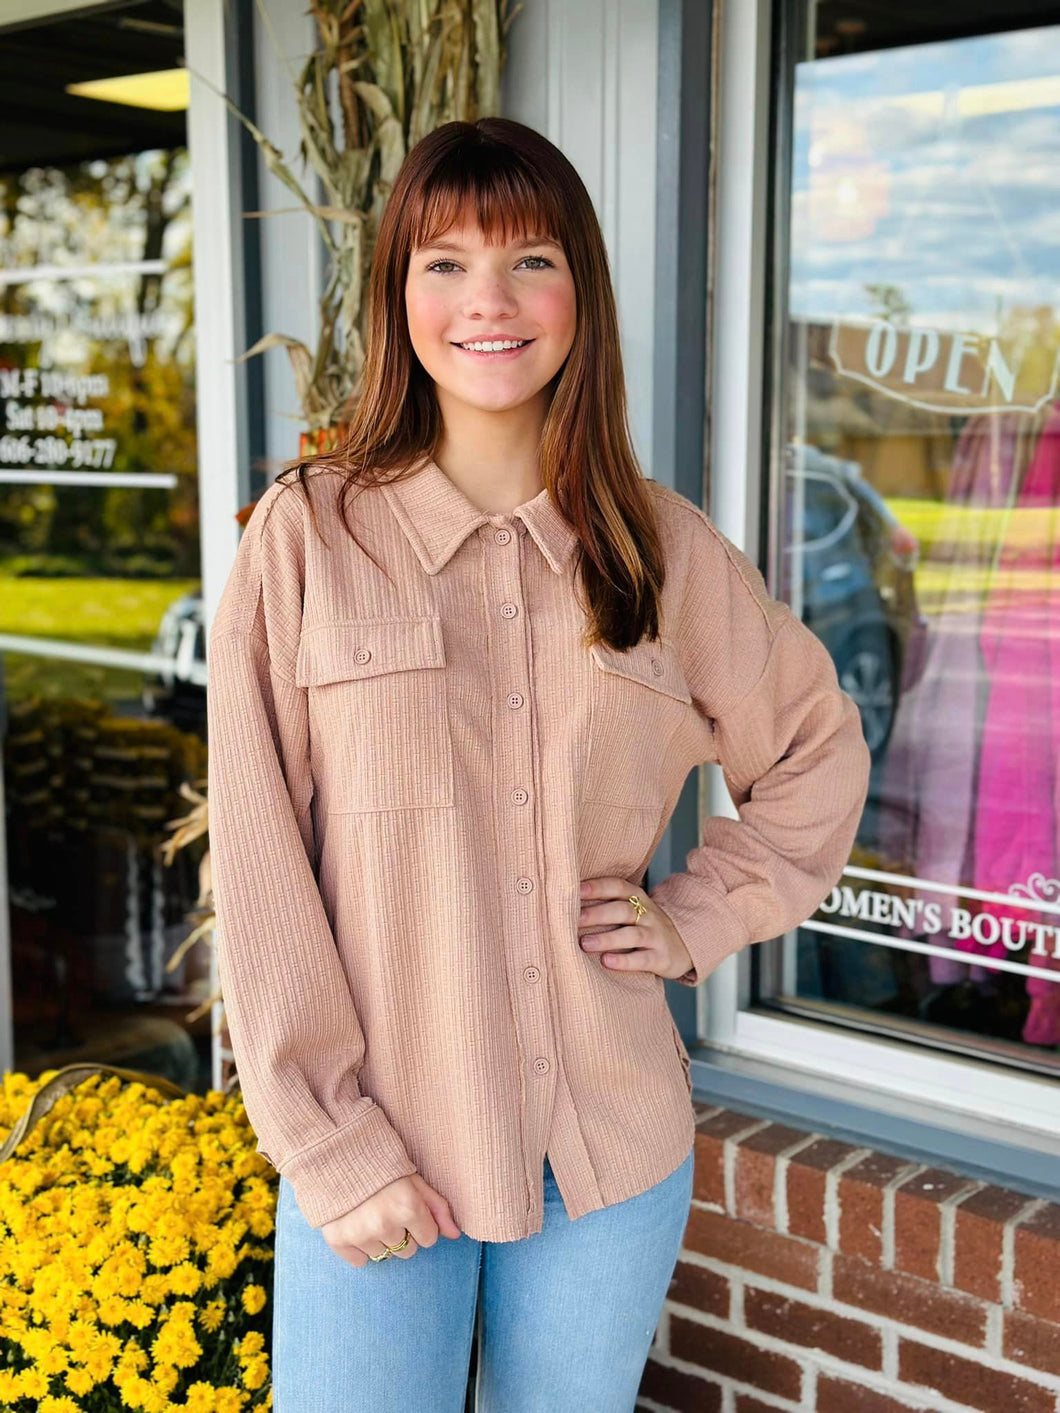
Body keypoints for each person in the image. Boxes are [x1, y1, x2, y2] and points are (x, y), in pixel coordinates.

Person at [206, 116, 871, 1412]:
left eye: (530, 259)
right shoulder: (307, 539)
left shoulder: (666, 554)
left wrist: (691, 917)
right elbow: (261, 862)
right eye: (444, 263)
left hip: (604, 1158)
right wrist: (332, 1147)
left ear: (582, 293)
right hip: (383, 1142)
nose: (488, 302)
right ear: (399, 298)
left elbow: (817, 753)